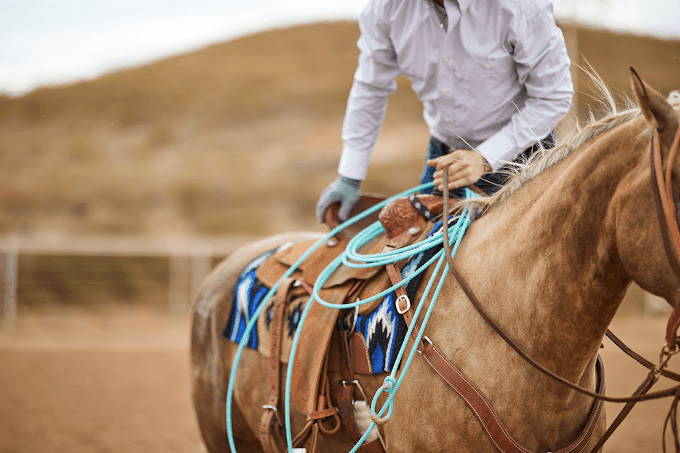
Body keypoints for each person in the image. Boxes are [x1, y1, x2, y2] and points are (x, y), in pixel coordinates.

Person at [316, 0, 574, 222]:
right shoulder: (387, 8)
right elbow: (371, 88)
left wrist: (484, 158)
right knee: (417, 272)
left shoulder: (522, 7)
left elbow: (553, 96)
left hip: (524, 161)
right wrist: (350, 177)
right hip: (444, 162)